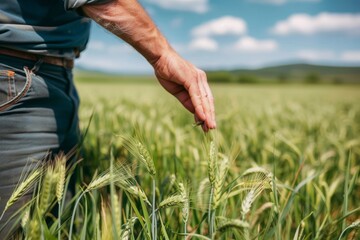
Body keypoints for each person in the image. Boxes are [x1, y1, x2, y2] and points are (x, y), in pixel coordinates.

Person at [0, 0, 216, 238]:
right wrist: (162, 54)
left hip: (48, 70)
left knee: (55, 220)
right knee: (13, 226)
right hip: (15, 69)